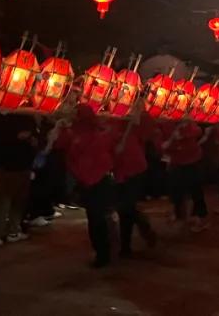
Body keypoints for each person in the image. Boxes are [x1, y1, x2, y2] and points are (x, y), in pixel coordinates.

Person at [54, 103, 115, 267]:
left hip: (97, 180)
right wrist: (60, 128)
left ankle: (104, 254)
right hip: (89, 180)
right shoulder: (78, 132)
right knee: (96, 218)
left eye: (76, 113)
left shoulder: (93, 134)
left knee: (97, 218)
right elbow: (58, 144)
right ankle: (103, 252)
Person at [0, 112, 37, 246]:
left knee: (2, 200)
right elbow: (32, 140)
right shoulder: (25, 116)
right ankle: (10, 231)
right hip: (17, 165)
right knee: (13, 200)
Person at [111, 111, 157, 256]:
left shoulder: (134, 119)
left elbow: (148, 130)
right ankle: (139, 231)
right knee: (124, 209)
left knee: (126, 208)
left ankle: (126, 246)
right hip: (119, 170)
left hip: (134, 170)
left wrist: (137, 117)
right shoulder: (111, 119)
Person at [163, 119, 209, 231]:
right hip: (176, 162)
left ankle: (201, 218)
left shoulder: (189, 124)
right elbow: (163, 146)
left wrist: (184, 134)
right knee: (176, 190)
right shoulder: (167, 124)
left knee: (196, 191)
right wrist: (173, 138)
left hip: (193, 161)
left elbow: (198, 131)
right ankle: (179, 214)